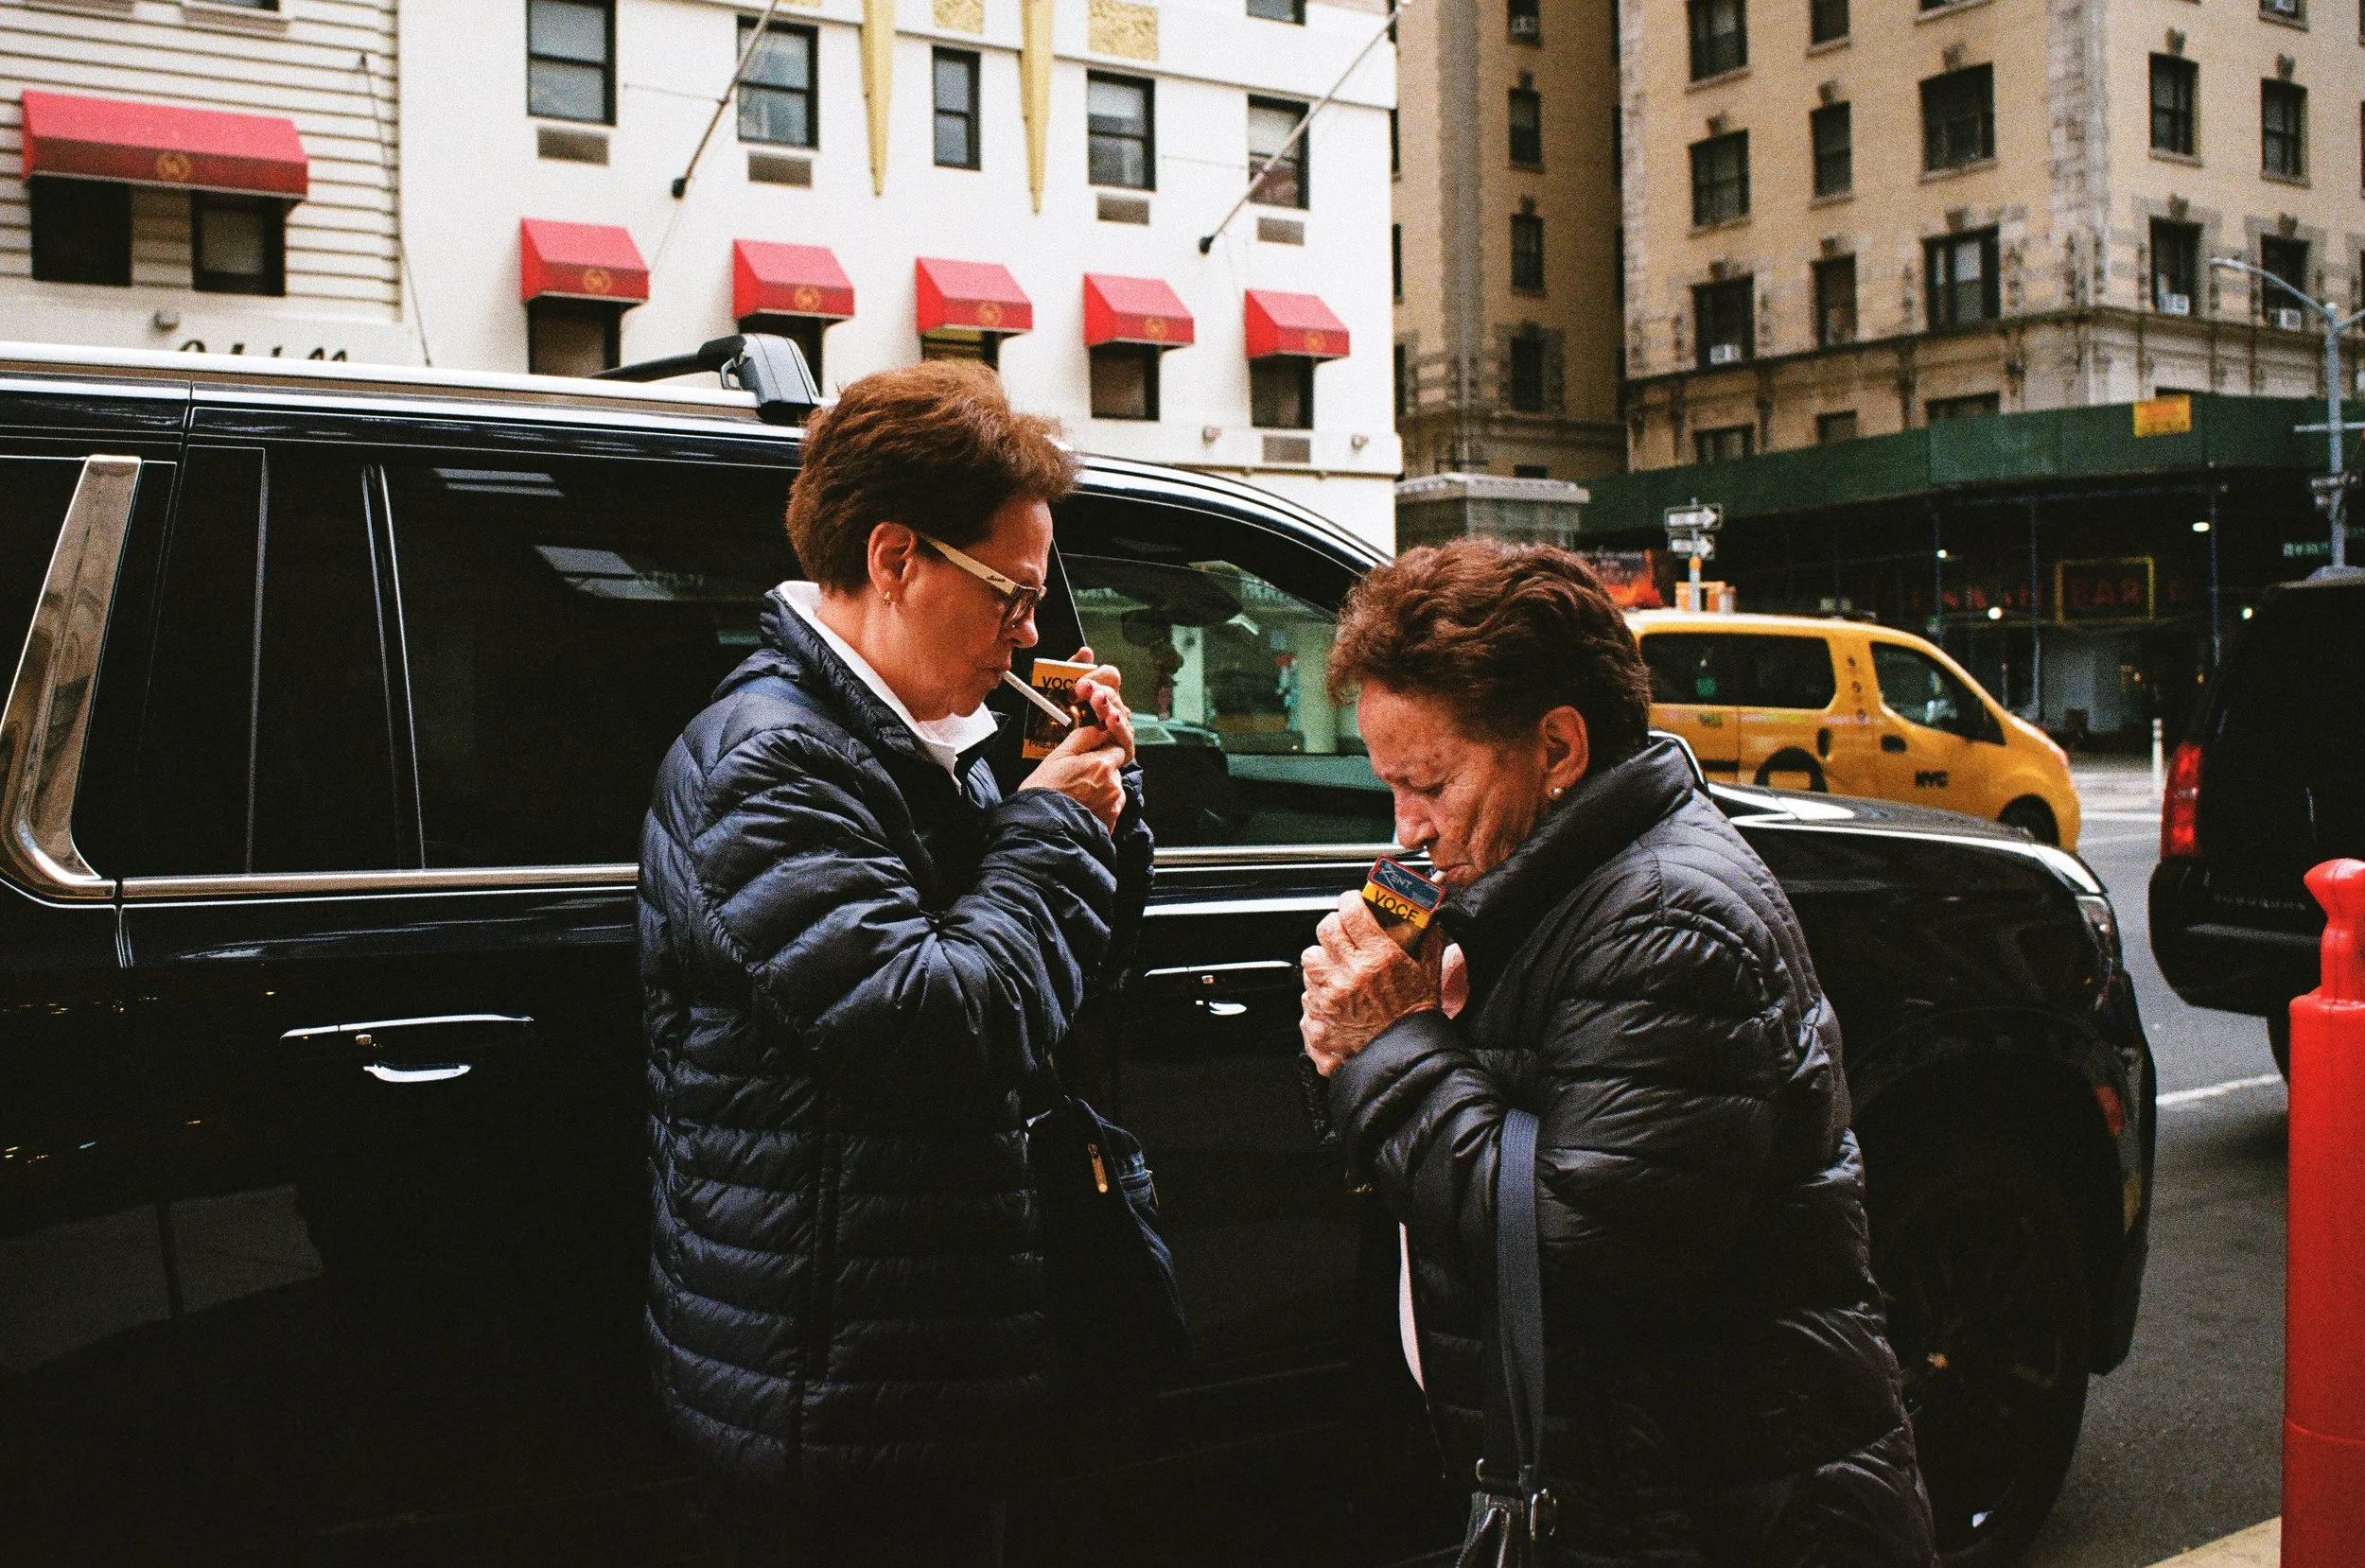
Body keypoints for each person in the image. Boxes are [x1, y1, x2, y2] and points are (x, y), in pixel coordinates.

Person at [1299, 540, 1937, 1566]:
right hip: (1618, 1478)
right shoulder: (1516, 881)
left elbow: (1573, 1257)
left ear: (1556, 747)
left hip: (1710, 1508)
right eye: (1391, 785)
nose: (1405, 828)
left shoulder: (1664, 919)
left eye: (1429, 780)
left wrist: (1393, 1045)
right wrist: (1361, 1041)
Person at [639, 362, 1150, 1566]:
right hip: (836, 1375)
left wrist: (1103, 801)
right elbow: (944, 1027)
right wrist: (1057, 823)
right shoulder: (769, 764)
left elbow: (1068, 969)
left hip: (922, 1345)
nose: (1030, 629)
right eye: (1010, 595)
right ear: (894, 559)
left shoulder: (931, 733)